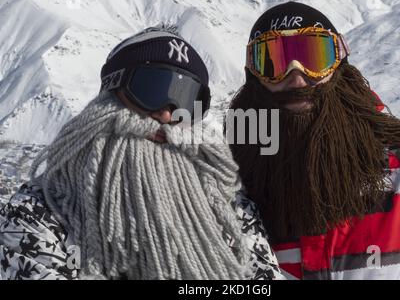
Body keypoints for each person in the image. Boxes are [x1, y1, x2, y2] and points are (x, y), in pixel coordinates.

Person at [0, 27, 283, 280]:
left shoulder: (229, 210)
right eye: (150, 89)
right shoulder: (38, 213)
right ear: (109, 95)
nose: (165, 114)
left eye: (185, 100)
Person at [228, 2, 400, 280]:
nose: (297, 78)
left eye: (314, 58)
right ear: (254, 75)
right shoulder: (231, 180)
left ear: (339, 65)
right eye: (273, 62)